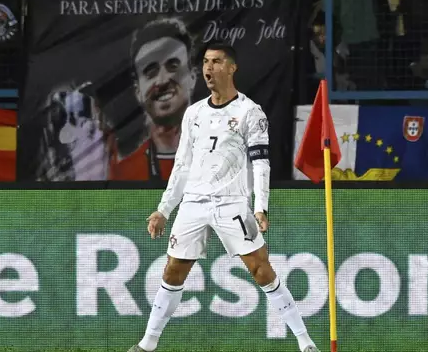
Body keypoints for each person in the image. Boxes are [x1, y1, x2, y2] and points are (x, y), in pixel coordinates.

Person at [128, 44, 320, 352]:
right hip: (193, 202)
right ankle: (147, 345)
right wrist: (163, 209)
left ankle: (305, 343)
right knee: (172, 270)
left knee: (261, 270)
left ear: (231, 68)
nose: (208, 68)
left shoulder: (250, 112)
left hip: (232, 203)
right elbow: (182, 165)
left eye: (216, 62)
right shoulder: (194, 113)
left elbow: (261, 162)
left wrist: (260, 207)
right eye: (205, 62)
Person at [109, 17, 197, 180]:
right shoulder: (123, 174)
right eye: (150, 71)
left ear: (192, 77)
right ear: (138, 91)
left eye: (173, 66)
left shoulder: (224, 163)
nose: (162, 80)